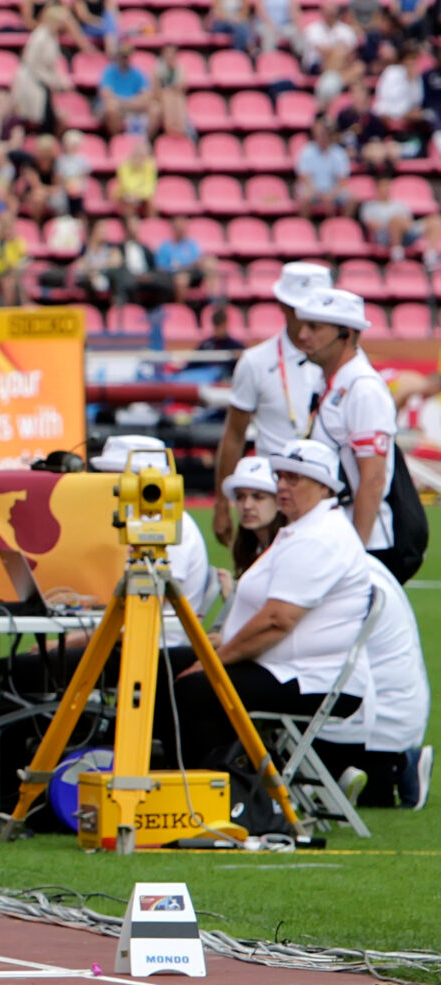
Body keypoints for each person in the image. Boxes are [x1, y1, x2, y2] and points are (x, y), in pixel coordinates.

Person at [170, 437, 372, 777]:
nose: (282, 485)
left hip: (309, 678)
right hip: (286, 667)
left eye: (294, 478)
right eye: (280, 476)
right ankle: (175, 779)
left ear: (323, 488)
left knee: (194, 688)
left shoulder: (319, 536)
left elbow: (277, 621)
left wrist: (214, 662)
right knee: (166, 663)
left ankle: (217, 790)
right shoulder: (304, 529)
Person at [294, 287, 415, 580]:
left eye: (315, 327)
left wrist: (355, 552)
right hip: (340, 535)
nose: (302, 335)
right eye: (303, 325)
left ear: (345, 334)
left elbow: (372, 480)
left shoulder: (363, 389)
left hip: (368, 543)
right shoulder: (333, 383)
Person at [212, 261, 328, 540]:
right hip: (271, 499)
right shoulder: (256, 362)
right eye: (300, 309)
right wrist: (221, 505)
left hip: (327, 496)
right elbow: (234, 435)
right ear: (283, 307)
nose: (307, 318)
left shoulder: (343, 362)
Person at [318, 554, 432, 810]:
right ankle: (394, 768)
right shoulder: (355, 564)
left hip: (376, 722)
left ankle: (398, 766)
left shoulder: (345, 573)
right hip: (386, 714)